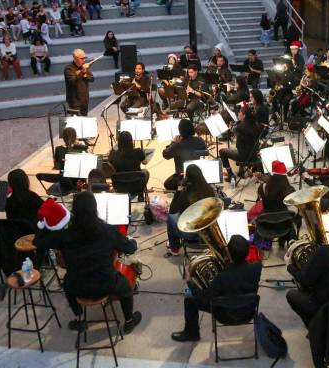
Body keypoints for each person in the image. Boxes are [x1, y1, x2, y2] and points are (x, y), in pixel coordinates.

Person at [33, 193, 143, 334]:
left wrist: (43, 223)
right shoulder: (108, 231)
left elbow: (37, 242)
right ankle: (129, 321)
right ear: (95, 209)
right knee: (126, 286)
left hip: (77, 286)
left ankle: (79, 318)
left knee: (67, 282)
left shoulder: (64, 236)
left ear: (73, 211)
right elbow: (130, 248)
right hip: (105, 285)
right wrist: (132, 241)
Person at [171, 234, 261, 342]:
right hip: (248, 311)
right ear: (247, 252)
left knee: (189, 300)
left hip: (224, 314)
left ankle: (192, 334)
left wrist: (190, 281)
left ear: (229, 254)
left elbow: (203, 298)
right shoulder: (257, 268)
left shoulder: (222, 277)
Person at [165, 164, 217, 256]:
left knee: (170, 216)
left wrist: (178, 192)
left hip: (191, 234)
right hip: (208, 232)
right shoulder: (210, 189)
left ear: (188, 177)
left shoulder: (186, 193)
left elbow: (173, 210)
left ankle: (174, 248)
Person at [162, 119, 208, 191]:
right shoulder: (200, 140)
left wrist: (173, 142)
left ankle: (183, 186)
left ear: (180, 132)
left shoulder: (178, 145)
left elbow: (165, 155)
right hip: (199, 173)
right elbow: (205, 150)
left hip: (184, 176)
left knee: (167, 184)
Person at [220, 106, 262, 182]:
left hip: (244, 155)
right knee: (240, 147)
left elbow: (233, 131)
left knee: (222, 151)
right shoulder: (256, 124)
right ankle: (241, 170)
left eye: (240, 112)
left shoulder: (240, 127)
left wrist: (230, 127)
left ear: (244, 115)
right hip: (255, 154)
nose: (238, 114)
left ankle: (230, 175)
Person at [64, 49, 94, 115]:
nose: (84, 60)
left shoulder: (83, 66)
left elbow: (92, 78)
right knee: (76, 122)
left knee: (84, 120)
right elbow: (72, 81)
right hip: (74, 101)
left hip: (84, 99)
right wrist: (82, 72)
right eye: (82, 58)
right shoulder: (68, 68)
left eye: (85, 58)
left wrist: (85, 75)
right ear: (75, 58)